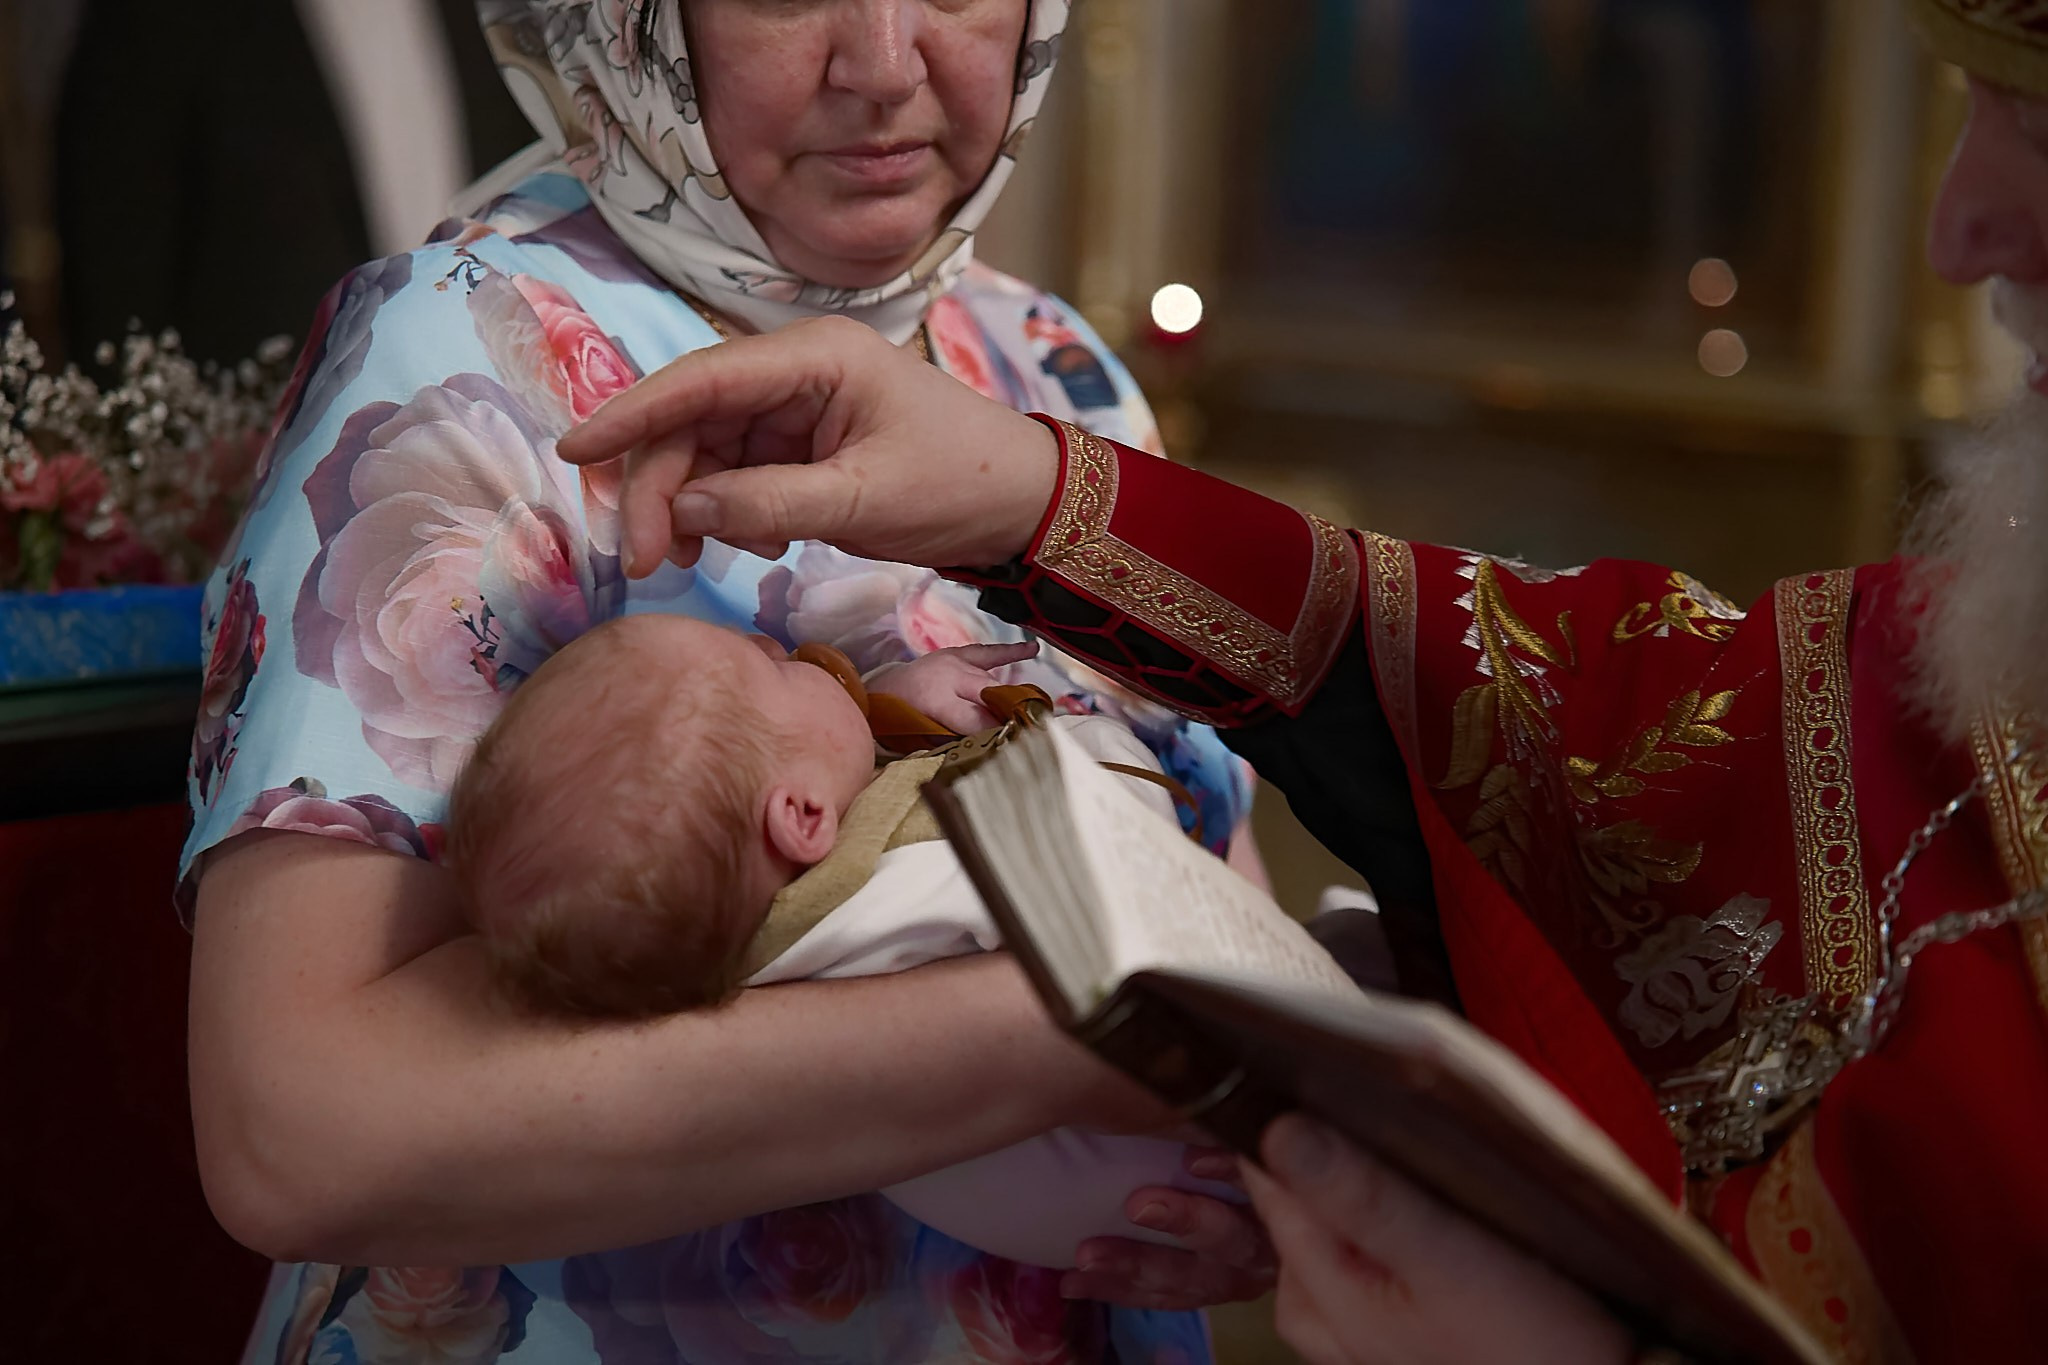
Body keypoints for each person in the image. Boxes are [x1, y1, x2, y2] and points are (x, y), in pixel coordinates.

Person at [553, 7, 2048, 1359]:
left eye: (2035, 118)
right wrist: (1034, 501)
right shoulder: (481, 349)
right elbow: (1614, 720)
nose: (1958, 228)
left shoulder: (1051, 356)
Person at [182, 2, 1273, 1361]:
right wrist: (1062, 1029)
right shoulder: (459, 354)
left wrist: (1253, 1166)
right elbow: (297, 1134)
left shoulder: (1063, 372)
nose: (885, 66)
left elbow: (1220, 882)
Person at [447, 615, 1232, 1270]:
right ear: (804, 815)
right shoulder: (909, 892)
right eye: (782, 671)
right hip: (1184, 1159)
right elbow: (1126, 881)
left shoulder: (770, 929)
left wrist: (887, 711)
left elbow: (851, 781)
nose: (791, 649)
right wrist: (1080, 740)